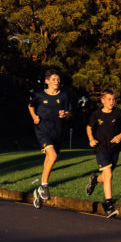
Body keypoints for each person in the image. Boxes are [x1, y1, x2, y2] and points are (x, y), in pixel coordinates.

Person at [28, 69, 71, 209]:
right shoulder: (39, 95)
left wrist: (65, 114)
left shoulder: (64, 96)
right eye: (53, 79)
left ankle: (38, 191)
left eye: (58, 79)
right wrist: (34, 116)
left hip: (57, 132)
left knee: (51, 158)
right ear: (47, 81)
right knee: (52, 155)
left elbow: (69, 113)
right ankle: (45, 186)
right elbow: (30, 106)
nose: (56, 82)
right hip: (42, 130)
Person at [85, 89, 121, 218]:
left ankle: (94, 180)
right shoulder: (96, 114)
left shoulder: (118, 113)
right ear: (103, 100)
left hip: (114, 149)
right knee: (108, 174)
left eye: (113, 99)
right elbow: (89, 127)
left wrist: (120, 136)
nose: (111, 102)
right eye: (109, 99)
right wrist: (91, 139)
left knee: (106, 176)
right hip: (100, 148)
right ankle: (109, 206)